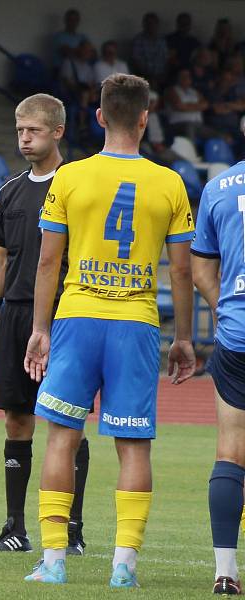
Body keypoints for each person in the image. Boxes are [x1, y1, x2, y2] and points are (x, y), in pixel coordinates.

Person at [22, 74, 195, 587]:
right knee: (134, 447)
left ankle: (53, 562)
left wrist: (39, 327)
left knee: (61, 439)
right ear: (145, 118)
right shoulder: (170, 182)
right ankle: (124, 566)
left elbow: (48, 261)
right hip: (136, 324)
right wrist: (184, 338)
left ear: (99, 116)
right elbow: (182, 271)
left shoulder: (70, 177)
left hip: (77, 317)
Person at [0, 93, 90, 556]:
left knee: (68, 423)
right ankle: (15, 528)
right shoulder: (10, 190)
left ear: (58, 132)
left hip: (66, 316)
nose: (24, 138)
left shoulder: (80, 185)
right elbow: (0, 257)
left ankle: (73, 529)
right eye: (20, 130)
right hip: (17, 315)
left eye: (34, 131)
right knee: (16, 419)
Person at [191, 117, 245, 596]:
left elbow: (199, 263)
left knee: (231, 448)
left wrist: (221, 306)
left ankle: (225, 572)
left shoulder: (219, 186)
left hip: (237, 336)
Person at [165, 68, 222, 142]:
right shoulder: (171, 90)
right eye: (183, 76)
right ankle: (191, 152)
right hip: (178, 124)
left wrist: (187, 106)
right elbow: (179, 106)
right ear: (177, 78)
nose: (186, 78)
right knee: (190, 127)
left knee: (219, 135)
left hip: (198, 124)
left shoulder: (194, 91)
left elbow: (205, 105)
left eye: (188, 76)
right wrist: (197, 106)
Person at [131, 13, 169, 86]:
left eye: (153, 23)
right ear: (144, 25)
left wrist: (164, 75)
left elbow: (166, 59)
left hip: (161, 77)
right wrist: (149, 77)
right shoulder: (138, 40)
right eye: (148, 23)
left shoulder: (162, 40)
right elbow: (136, 61)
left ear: (157, 24)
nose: (151, 26)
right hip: (144, 77)